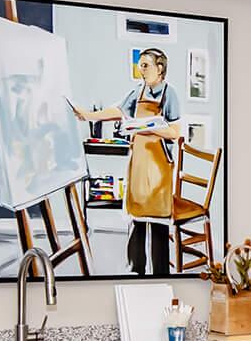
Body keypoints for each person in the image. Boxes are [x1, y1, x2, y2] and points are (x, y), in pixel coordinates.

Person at [76, 48, 183, 275]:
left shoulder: (169, 94)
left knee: (157, 218)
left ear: (160, 68)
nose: (141, 69)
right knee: (137, 214)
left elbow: (175, 132)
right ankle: (137, 268)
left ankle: (161, 272)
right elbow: (118, 110)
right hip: (139, 161)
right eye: (140, 65)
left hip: (159, 164)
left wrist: (149, 127)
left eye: (145, 65)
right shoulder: (138, 91)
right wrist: (89, 115)